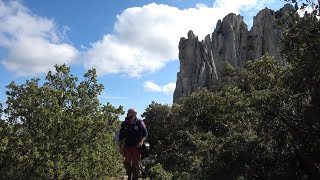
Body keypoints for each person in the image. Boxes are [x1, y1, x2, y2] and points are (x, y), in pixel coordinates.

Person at [119, 108, 148, 180]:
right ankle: (129, 176)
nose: (128, 113)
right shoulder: (124, 124)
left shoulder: (139, 123)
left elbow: (145, 133)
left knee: (136, 163)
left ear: (134, 114)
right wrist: (121, 148)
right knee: (126, 163)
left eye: (129, 112)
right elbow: (121, 137)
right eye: (128, 112)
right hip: (127, 146)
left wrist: (141, 142)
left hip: (137, 147)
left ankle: (136, 177)